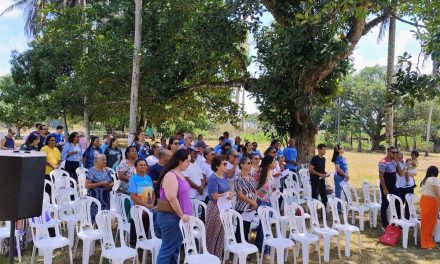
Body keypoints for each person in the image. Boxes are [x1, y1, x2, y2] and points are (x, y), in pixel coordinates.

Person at [156, 149, 192, 264]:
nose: (189, 164)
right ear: (180, 161)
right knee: (167, 249)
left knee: (174, 249)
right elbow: (171, 197)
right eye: (187, 161)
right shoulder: (170, 175)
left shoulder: (179, 174)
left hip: (178, 218)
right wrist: (182, 215)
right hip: (171, 217)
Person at [206, 155, 231, 259]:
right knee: (212, 233)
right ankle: (209, 256)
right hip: (215, 209)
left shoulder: (224, 176)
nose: (226, 166)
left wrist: (229, 195)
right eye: (224, 164)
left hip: (224, 206)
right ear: (217, 166)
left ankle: (218, 257)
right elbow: (214, 196)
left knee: (221, 233)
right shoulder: (213, 178)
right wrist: (225, 194)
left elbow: (226, 191)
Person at [128, 158, 155, 247]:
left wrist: (151, 204)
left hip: (148, 209)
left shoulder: (148, 178)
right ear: (136, 167)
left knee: (146, 227)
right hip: (137, 209)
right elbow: (133, 196)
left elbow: (153, 192)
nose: (143, 166)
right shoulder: (133, 179)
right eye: (141, 165)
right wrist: (146, 205)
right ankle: (133, 247)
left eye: (145, 165)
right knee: (136, 228)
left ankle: (144, 246)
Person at [255, 155, 277, 257]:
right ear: (269, 163)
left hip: (268, 201)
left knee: (265, 226)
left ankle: (262, 246)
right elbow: (256, 189)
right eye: (274, 161)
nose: (275, 162)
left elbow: (270, 187)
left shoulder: (270, 172)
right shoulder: (260, 173)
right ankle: (264, 250)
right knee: (263, 226)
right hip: (262, 202)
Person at [378, 146, 403, 228]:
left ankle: (397, 222)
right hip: (386, 186)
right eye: (393, 152)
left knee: (399, 202)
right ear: (388, 152)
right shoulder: (383, 162)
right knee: (385, 205)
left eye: (396, 152)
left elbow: (400, 173)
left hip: (393, 186)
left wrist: (397, 162)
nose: (395, 154)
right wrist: (385, 189)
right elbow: (381, 176)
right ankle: (385, 224)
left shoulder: (394, 162)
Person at [234, 157, 257, 243]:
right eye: (248, 163)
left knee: (247, 228)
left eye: (250, 163)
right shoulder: (238, 177)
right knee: (240, 229)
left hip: (251, 207)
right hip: (242, 207)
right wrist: (252, 202)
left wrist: (254, 202)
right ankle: (239, 249)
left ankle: (245, 246)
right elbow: (240, 195)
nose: (250, 165)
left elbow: (255, 190)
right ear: (242, 165)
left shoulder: (251, 176)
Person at [85, 154, 113, 221]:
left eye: (105, 160)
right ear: (97, 161)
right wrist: (101, 183)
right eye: (103, 160)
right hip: (95, 198)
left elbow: (112, 181)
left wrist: (111, 185)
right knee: (95, 217)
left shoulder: (107, 170)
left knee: (105, 218)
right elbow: (87, 185)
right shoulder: (91, 171)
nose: (105, 161)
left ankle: (104, 230)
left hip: (105, 198)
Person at [420, 166, 440, 249]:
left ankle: (427, 239)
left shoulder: (425, 180)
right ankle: (425, 241)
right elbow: (437, 193)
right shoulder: (434, 179)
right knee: (429, 222)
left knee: (427, 221)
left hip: (424, 200)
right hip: (431, 201)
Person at [309, 144, 330, 208]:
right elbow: (310, 170)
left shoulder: (323, 159)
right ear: (319, 150)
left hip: (322, 181)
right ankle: (313, 215)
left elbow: (322, 170)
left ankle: (323, 214)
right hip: (315, 181)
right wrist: (320, 174)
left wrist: (326, 173)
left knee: (324, 198)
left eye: (325, 149)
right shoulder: (314, 158)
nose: (325, 151)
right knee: (315, 198)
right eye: (323, 149)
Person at [396, 151, 414, 219]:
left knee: (409, 204)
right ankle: (399, 220)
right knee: (400, 204)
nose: (402, 156)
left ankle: (407, 219)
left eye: (402, 154)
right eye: (400, 154)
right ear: (396, 155)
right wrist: (406, 166)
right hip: (401, 187)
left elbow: (413, 173)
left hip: (410, 185)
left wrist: (411, 173)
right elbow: (401, 174)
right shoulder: (396, 164)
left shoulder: (405, 162)